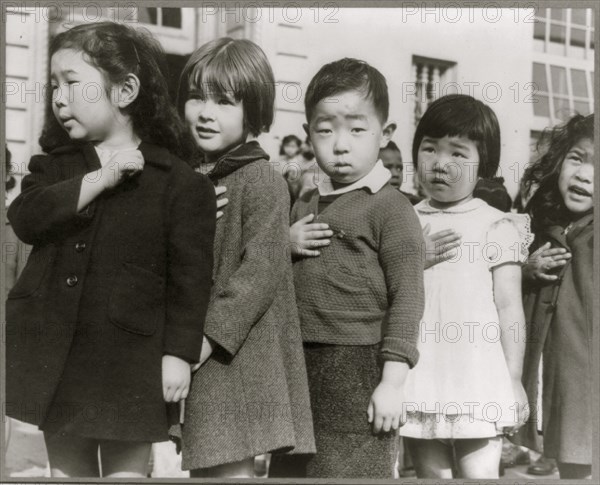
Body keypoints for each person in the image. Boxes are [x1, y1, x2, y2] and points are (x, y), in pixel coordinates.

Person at [4, 22, 216, 478]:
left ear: (125, 91)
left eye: (73, 83)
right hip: (59, 355)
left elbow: (190, 279)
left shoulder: (178, 182)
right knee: (66, 473)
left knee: (127, 474)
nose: (59, 98)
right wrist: (102, 178)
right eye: (54, 85)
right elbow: (27, 218)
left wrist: (178, 353)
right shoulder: (54, 166)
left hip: (130, 363)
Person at [271, 58, 425, 479]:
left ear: (385, 134)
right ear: (307, 134)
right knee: (291, 472)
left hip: (359, 366)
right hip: (297, 362)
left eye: (357, 129)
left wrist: (391, 383)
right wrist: (284, 245)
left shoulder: (392, 208)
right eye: (325, 129)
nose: (340, 144)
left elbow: (407, 299)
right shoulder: (303, 200)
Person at [176, 37, 315, 478]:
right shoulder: (193, 177)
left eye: (224, 101)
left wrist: (205, 339)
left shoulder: (261, 179)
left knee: (225, 468)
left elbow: (260, 271)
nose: (205, 111)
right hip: (206, 350)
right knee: (207, 468)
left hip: (233, 355)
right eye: (196, 96)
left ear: (253, 111)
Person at [400, 94, 532, 479]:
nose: (441, 164)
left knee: (481, 474)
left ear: (483, 163)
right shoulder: (402, 219)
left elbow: (509, 308)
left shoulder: (495, 224)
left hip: (478, 375)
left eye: (458, 153)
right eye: (429, 149)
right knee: (430, 475)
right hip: (421, 373)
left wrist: (512, 379)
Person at [514, 113, 594, 480]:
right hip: (563, 384)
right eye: (577, 158)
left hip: (588, 388)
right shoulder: (548, 226)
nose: (584, 174)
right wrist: (526, 271)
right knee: (572, 469)